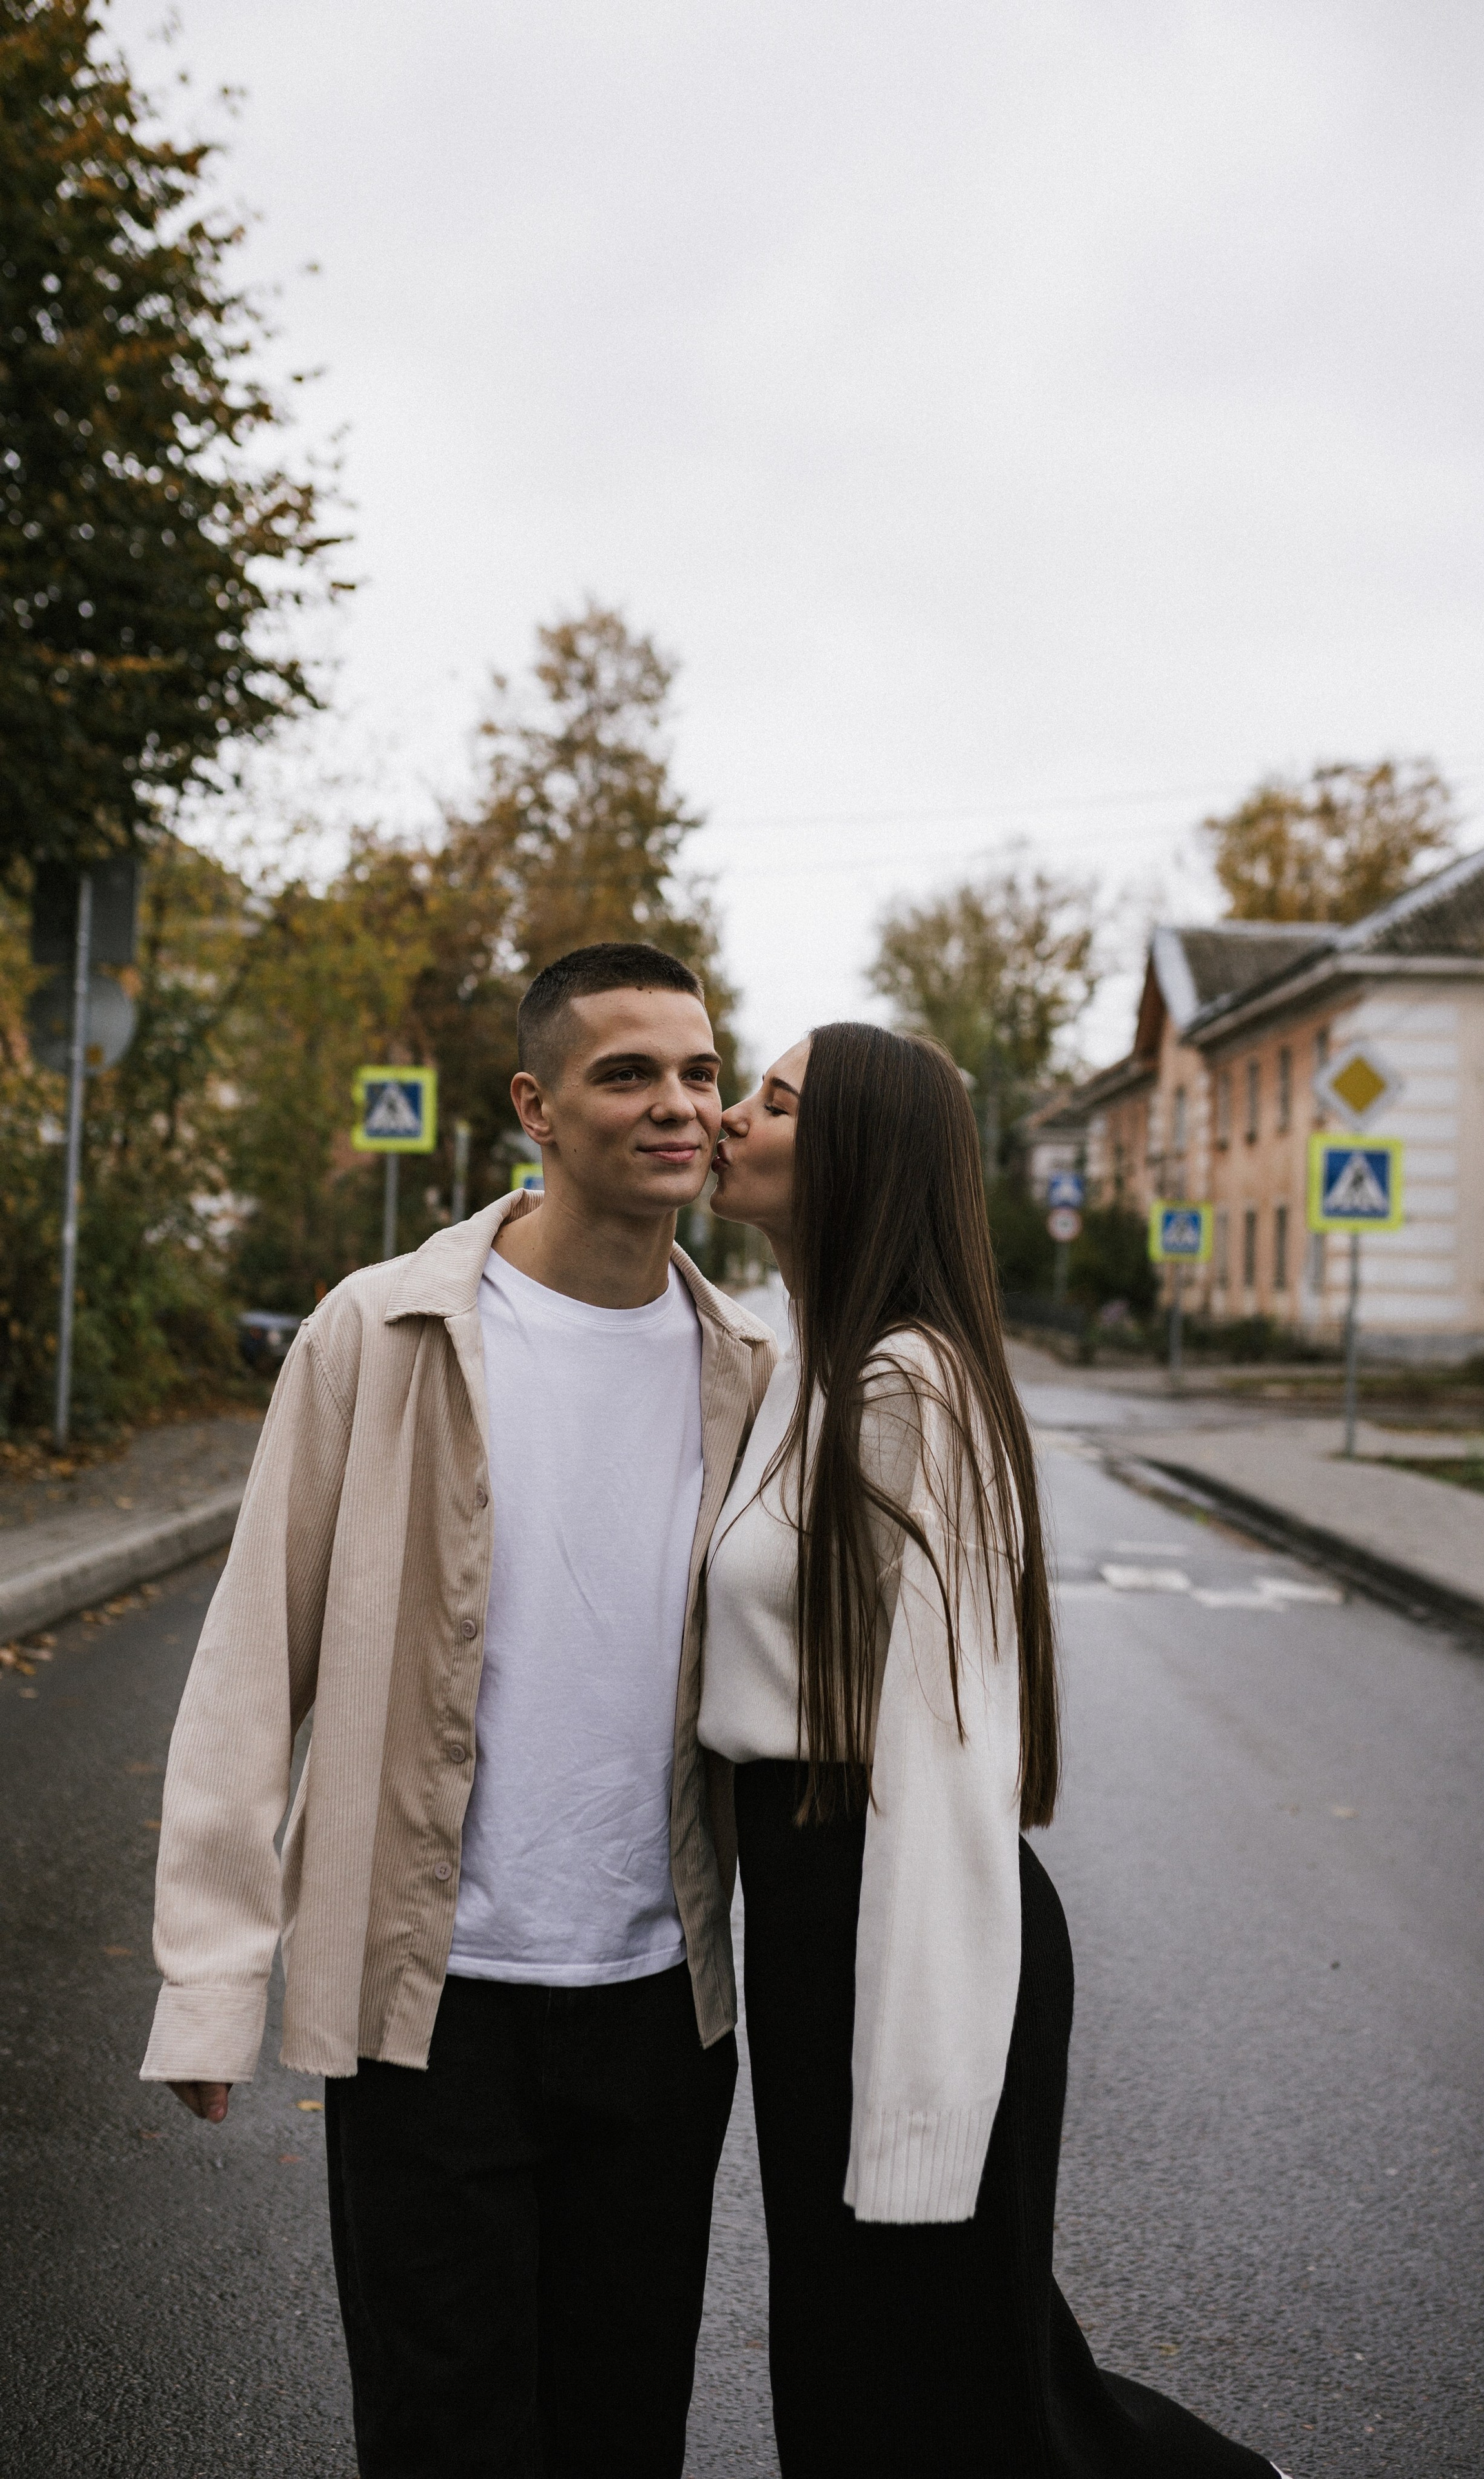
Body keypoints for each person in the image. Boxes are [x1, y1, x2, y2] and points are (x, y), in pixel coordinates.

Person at [141, 943, 779, 2479]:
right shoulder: (382, 1330)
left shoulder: (752, 1366)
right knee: (444, 2436)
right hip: (430, 2016)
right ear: (536, 1108)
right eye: (626, 1072)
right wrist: (213, 1977)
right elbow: (251, 1661)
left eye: (698, 1071)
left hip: (658, 2008)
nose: (678, 1105)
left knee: (622, 2432)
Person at [699, 1021, 1290, 2479]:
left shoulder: (916, 1393)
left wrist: (914, 2100)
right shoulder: (801, 1358)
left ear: (844, 1155)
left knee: (944, 2371)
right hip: (807, 1903)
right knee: (902, 2348)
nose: (723, 1118)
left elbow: (951, 1753)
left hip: (900, 1911)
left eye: (768, 1103)